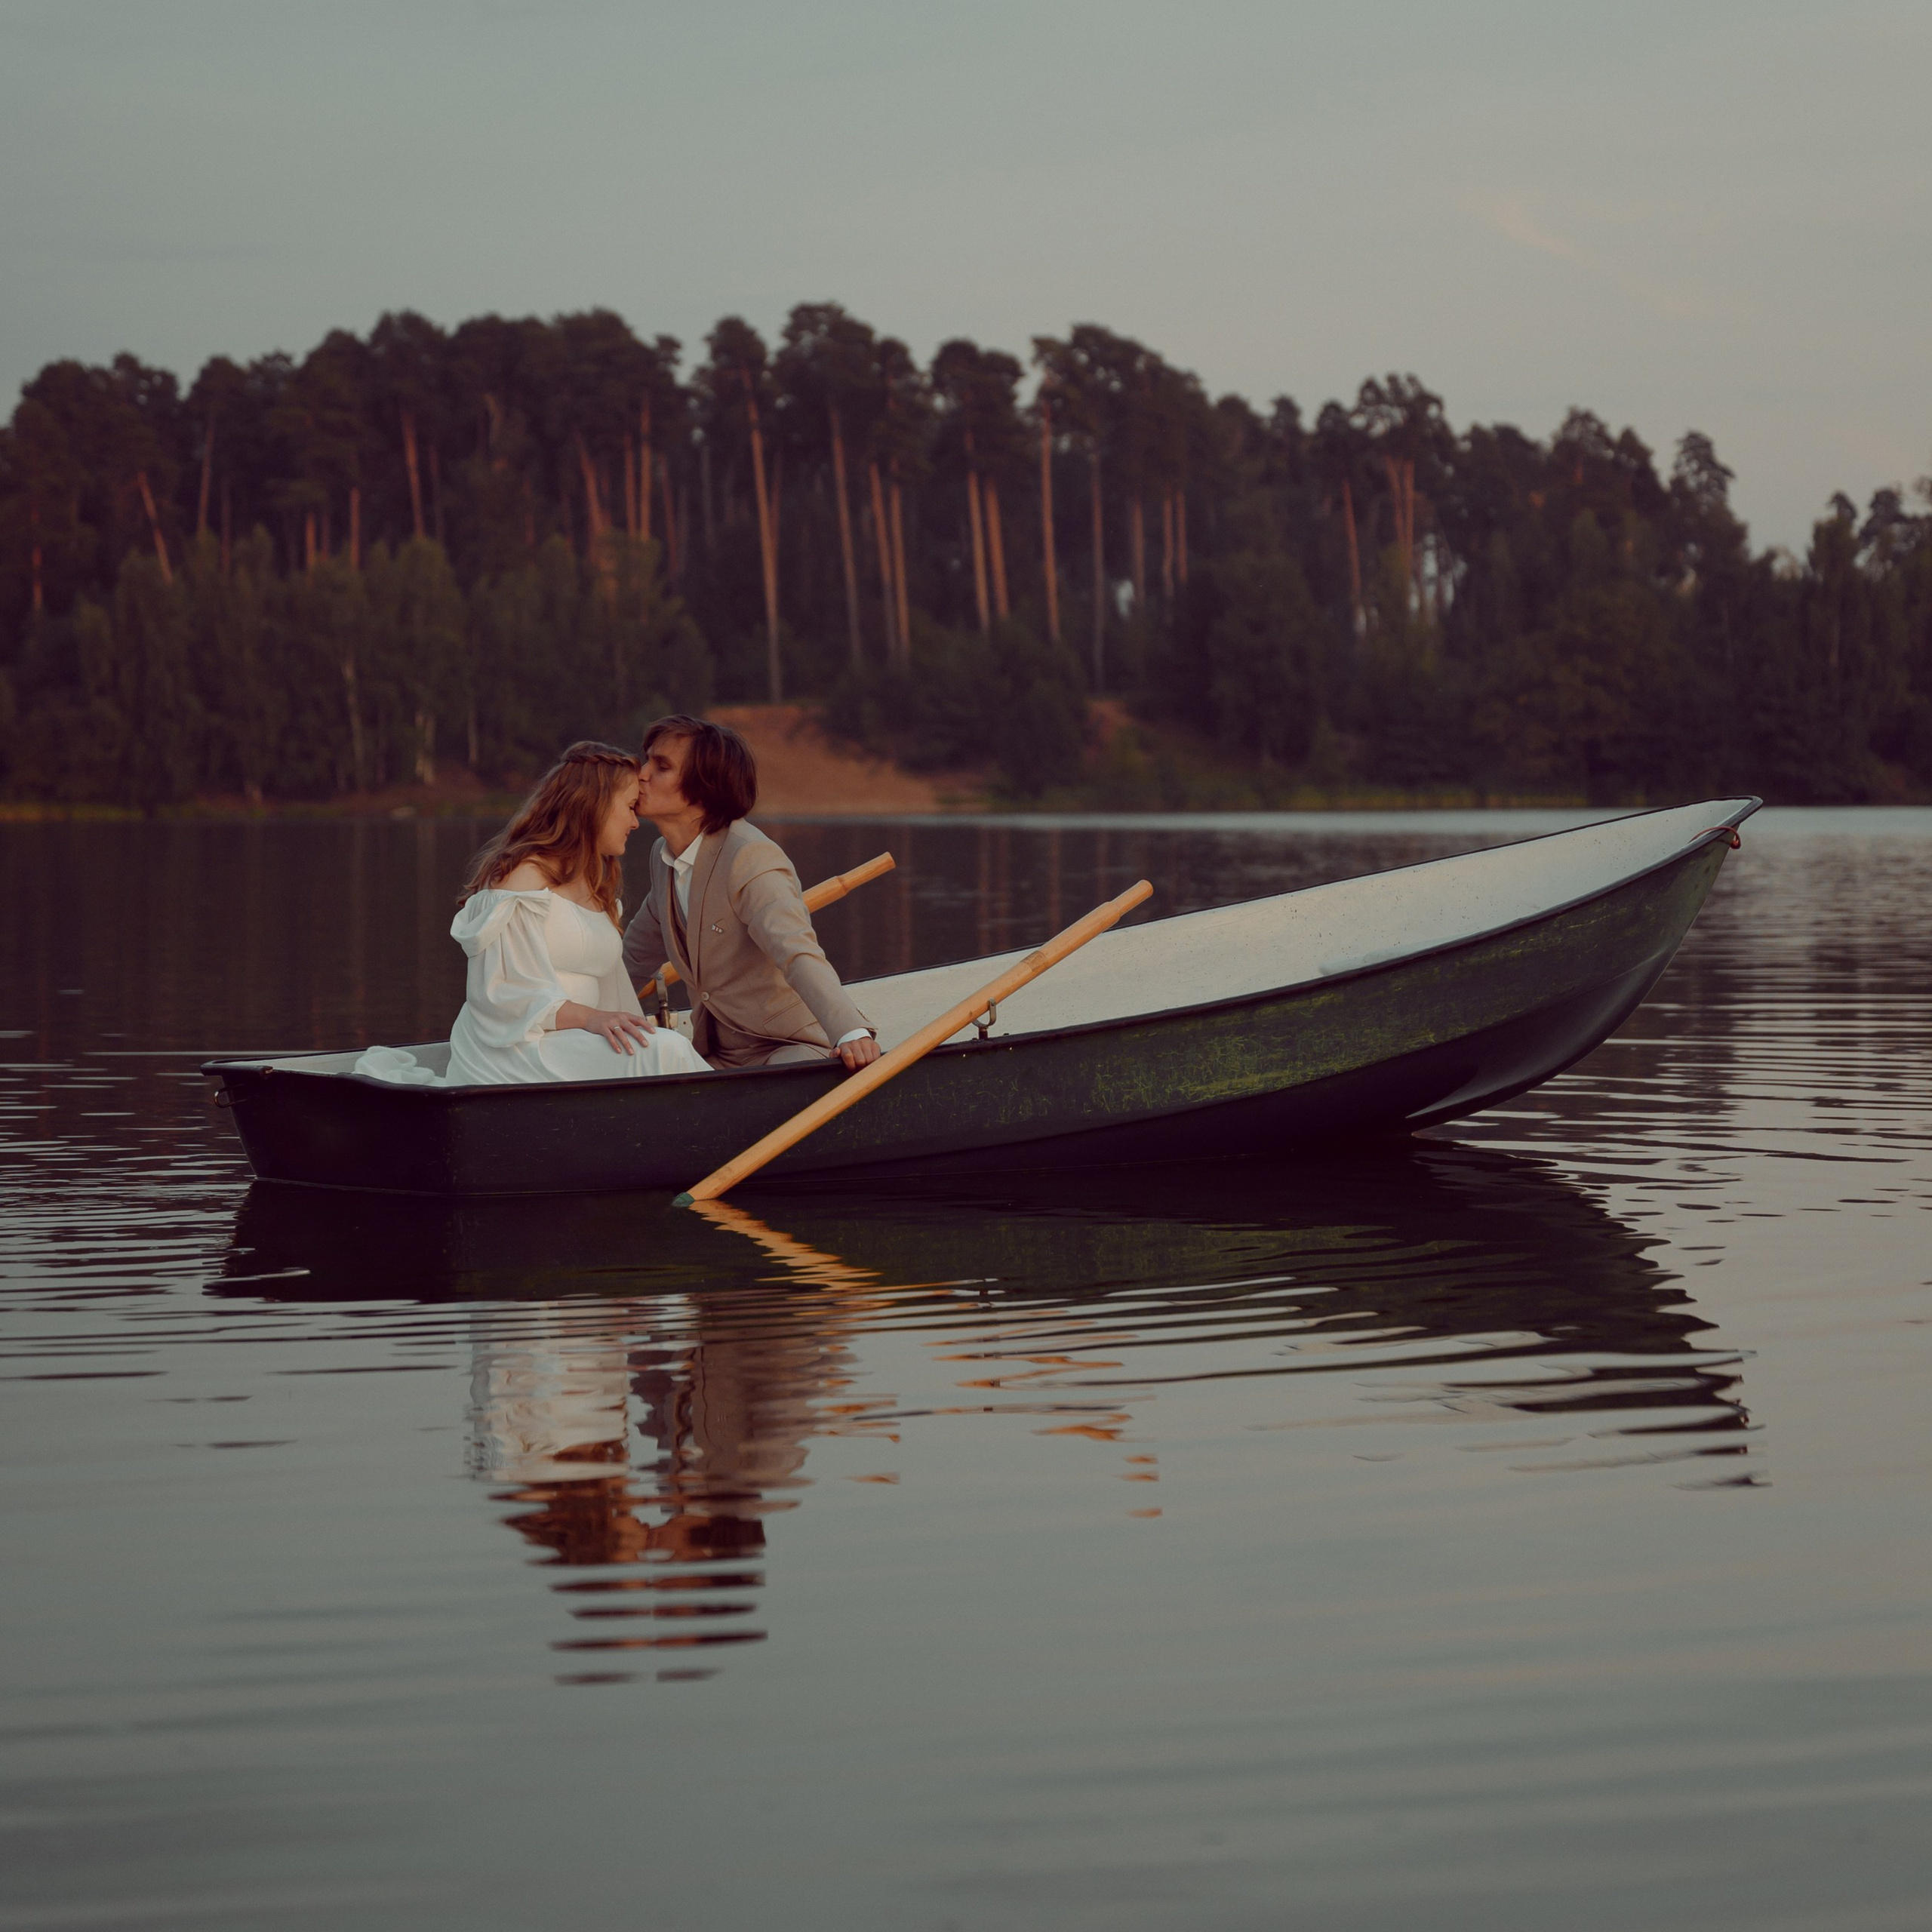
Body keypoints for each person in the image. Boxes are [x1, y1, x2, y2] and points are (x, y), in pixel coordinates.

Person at [442, 741, 711, 1085]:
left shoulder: (594, 884)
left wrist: (619, 1024)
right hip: (515, 1048)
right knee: (668, 1050)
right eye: (630, 807)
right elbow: (502, 993)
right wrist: (590, 1018)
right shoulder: (520, 879)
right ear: (594, 806)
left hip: (576, 1040)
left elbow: (611, 986)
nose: (635, 822)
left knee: (663, 1046)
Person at [621, 715, 881, 1070]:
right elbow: (634, 959)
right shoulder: (662, 857)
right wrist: (574, 1015)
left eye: (661, 767)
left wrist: (850, 1031)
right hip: (716, 1053)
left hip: (788, 1045)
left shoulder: (749, 857)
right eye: (647, 760)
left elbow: (796, 951)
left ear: (703, 788)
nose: (642, 774)